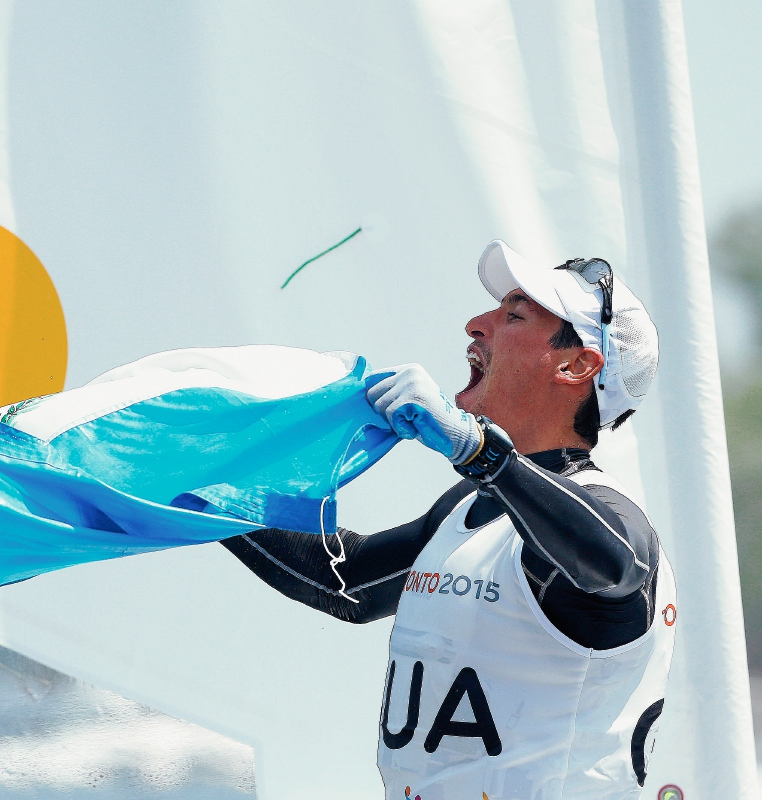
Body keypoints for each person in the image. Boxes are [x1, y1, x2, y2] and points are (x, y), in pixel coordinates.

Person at [223, 240, 675, 798]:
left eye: (512, 315)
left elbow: (616, 566)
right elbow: (347, 583)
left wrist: (484, 455)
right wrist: (203, 487)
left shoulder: (609, 512)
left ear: (576, 364)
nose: (474, 324)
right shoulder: (468, 507)